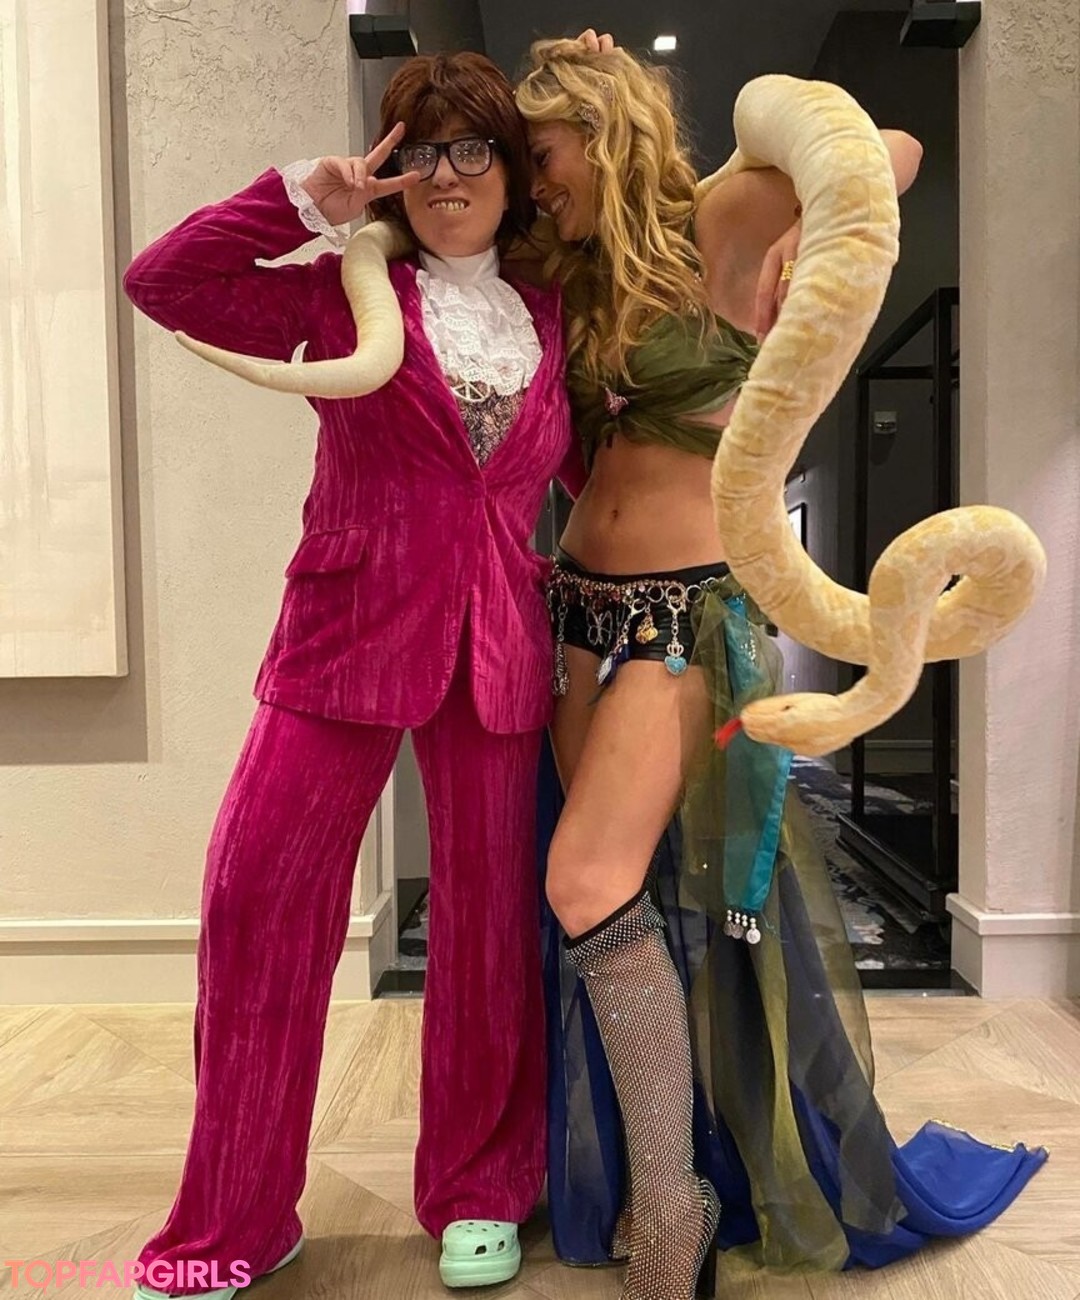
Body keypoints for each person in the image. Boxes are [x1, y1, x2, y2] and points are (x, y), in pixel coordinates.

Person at [514, 33, 1047, 1300]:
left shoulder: (721, 214)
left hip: (687, 619)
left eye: (544, 155)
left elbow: (890, 150)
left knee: (587, 879)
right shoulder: (570, 274)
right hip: (574, 614)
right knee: (623, 907)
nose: (536, 185)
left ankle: (675, 1203)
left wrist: (817, 227)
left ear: (600, 128)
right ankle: (676, 1160)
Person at [122, 52, 582, 1299]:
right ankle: (235, 1215)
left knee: (489, 928)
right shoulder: (339, 292)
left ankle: (480, 1186)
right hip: (344, 630)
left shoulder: (557, 316)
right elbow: (162, 283)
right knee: (257, 900)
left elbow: (603, 473)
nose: (444, 176)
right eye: (418, 151)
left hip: (501, 648)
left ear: (512, 174)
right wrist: (302, 199)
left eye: (471, 149)